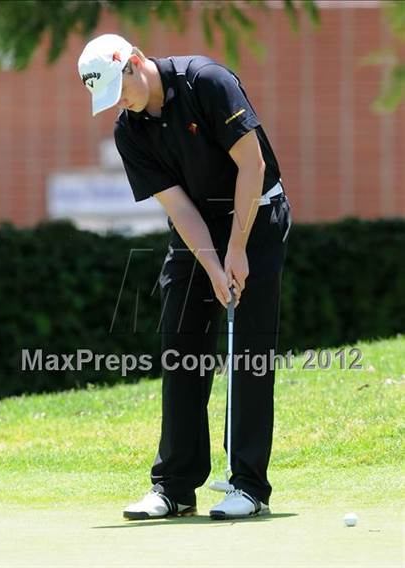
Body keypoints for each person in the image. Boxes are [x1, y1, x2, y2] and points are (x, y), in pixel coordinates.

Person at [78, 33, 292, 520]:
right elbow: (177, 207)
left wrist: (236, 249)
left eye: (121, 88)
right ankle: (174, 487)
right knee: (182, 348)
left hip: (256, 211)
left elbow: (252, 165)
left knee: (250, 352)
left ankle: (248, 486)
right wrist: (214, 266)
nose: (121, 103)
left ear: (134, 62)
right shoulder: (129, 131)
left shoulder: (207, 82)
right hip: (197, 225)